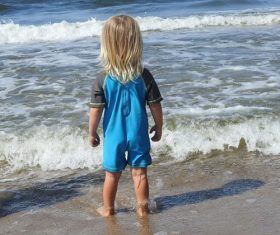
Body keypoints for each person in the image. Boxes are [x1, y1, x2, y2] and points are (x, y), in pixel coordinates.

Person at [88, 15, 163, 217]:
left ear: (107, 45)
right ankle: (142, 210)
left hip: (114, 136)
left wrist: (92, 132)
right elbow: (155, 105)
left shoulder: (103, 78)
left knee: (111, 175)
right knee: (140, 173)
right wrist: (159, 126)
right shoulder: (143, 75)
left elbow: (96, 109)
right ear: (136, 42)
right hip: (138, 133)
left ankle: (108, 209)